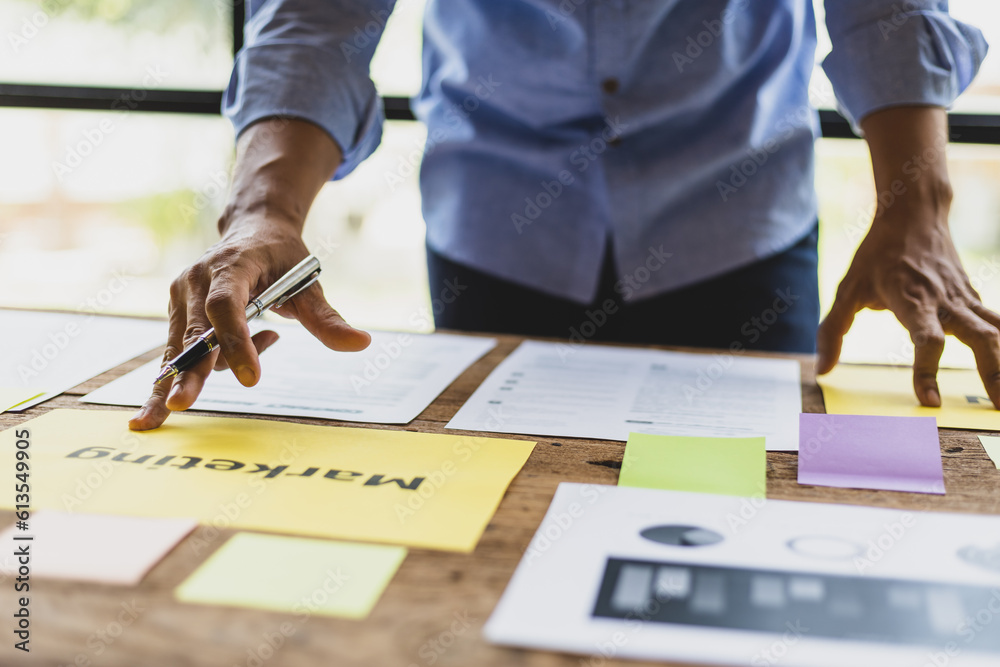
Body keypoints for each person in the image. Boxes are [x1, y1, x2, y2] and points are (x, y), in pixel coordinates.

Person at [130, 0, 997, 432]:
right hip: (502, 220)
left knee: (741, 517)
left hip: (737, 212)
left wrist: (917, 207)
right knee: (498, 525)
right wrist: (262, 211)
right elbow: (318, 17)